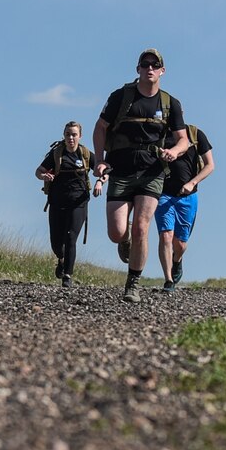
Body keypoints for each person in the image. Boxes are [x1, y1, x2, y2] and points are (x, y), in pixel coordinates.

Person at [93, 48, 189, 305]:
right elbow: (100, 128)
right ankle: (123, 242)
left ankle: (132, 283)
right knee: (117, 231)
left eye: (154, 65)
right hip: (121, 170)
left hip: (151, 173)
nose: (149, 68)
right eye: (144, 64)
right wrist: (100, 160)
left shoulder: (170, 104)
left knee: (142, 229)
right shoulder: (121, 97)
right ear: (137, 69)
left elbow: (184, 140)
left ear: (162, 71)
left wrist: (173, 152)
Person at [35, 120, 105, 286]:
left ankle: (68, 276)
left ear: (80, 136)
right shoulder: (56, 154)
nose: (71, 138)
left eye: (74, 134)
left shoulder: (86, 154)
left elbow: (104, 169)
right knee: (56, 244)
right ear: (64, 136)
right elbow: (38, 171)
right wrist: (44, 176)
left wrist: (100, 181)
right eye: (68, 134)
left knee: (71, 237)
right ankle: (61, 259)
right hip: (57, 202)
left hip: (78, 202)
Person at [155, 123, 214, 290]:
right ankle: (168, 280)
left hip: (188, 196)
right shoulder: (159, 135)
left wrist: (192, 182)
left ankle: (177, 260)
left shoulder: (195, 134)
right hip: (163, 194)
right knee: (166, 236)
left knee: (180, 244)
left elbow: (210, 165)